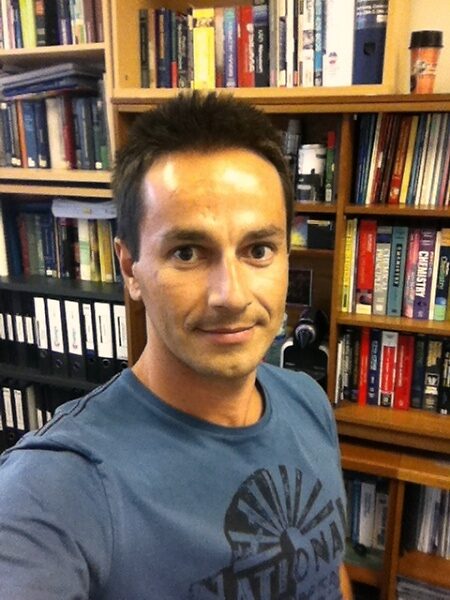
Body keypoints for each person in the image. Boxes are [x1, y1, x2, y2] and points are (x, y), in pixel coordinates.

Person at [0, 92, 351, 600]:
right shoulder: (58, 486)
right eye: (187, 252)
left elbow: (325, 569)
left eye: (258, 249)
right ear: (130, 268)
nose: (231, 295)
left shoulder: (308, 403)